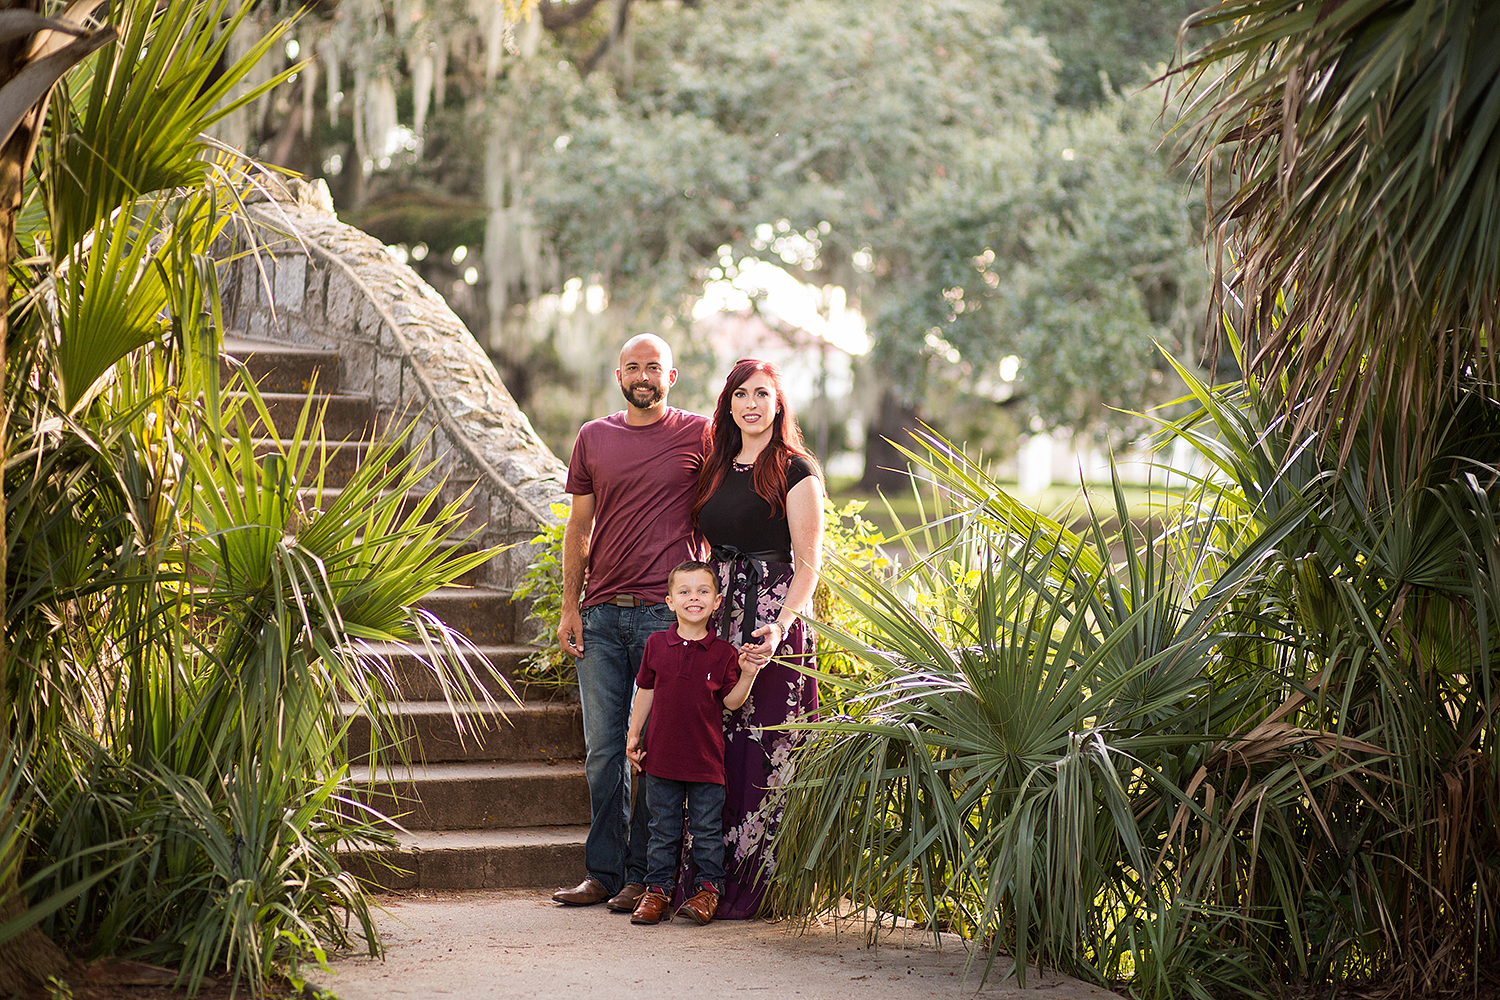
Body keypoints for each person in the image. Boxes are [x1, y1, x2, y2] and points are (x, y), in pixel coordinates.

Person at [551, 334, 710, 912]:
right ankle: (603, 874)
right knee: (603, 751)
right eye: (633, 366)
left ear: (672, 377)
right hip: (601, 614)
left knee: (653, 751)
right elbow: (579, 527)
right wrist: (571, 605)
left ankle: (645, 877)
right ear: (619, 373)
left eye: (654, 367)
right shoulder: (594, 437)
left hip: (664, 621)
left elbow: (731, 500)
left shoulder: (700, 434)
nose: (643, 375)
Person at [691, 357, 824, 919]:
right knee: (711, 745)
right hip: (716, 620)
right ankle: (703, 880)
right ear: (728, 404)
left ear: (777, 404)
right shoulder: (715, 466)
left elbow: (809, 564)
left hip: (773, 623)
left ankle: (763, 887)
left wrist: (782, 625)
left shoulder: (795, 469)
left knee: (766, 750)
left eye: (761, 395)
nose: (751, 404)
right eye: (740, 394)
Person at [624, 561, 762, 926]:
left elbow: (732, 703)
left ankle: (707, 892)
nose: (693, 598)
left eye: (702, 591)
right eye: (684, 592)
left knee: (706, 831)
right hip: (662, 760)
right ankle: (657, 893)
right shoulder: (656, 644)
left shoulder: (724, 654)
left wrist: (748, 674)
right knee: (662, 830)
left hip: (705, 762)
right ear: (670, 601)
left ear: (717, 601)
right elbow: (646, 692)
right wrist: (633, 734)